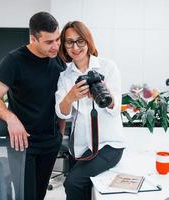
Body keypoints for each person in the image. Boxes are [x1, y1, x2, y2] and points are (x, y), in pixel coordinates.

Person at [0, 12, 65, 200]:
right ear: (33, 39)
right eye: (48, 42)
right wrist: (11, 118)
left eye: (57, 39)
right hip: (23, 145)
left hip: (50, 143)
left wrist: (59, 133)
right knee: (25, 196)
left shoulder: (58, 58)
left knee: (39, 195)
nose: (55, 46)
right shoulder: (14, 61)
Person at [55, 21, 126, 200]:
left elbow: (116, 106)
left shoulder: (107, 67)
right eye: (69, 42)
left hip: (108, 145)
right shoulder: (65, 76)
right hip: (80, 147)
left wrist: (104, 94)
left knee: (73, 182)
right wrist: (70, 97)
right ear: (64, 45)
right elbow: (61, 112)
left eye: (80, 41)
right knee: (81, 189)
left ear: (88, 42)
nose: (75, 47)